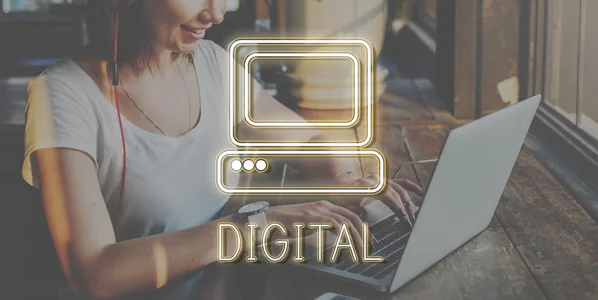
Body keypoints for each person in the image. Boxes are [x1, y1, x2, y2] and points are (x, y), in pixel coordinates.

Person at [22, 0, 422, 299]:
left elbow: (310, 141)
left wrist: (348, 181)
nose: (216, 12)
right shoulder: (62, 95)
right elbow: (95, 274)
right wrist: (256, 226)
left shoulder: (212, 64)